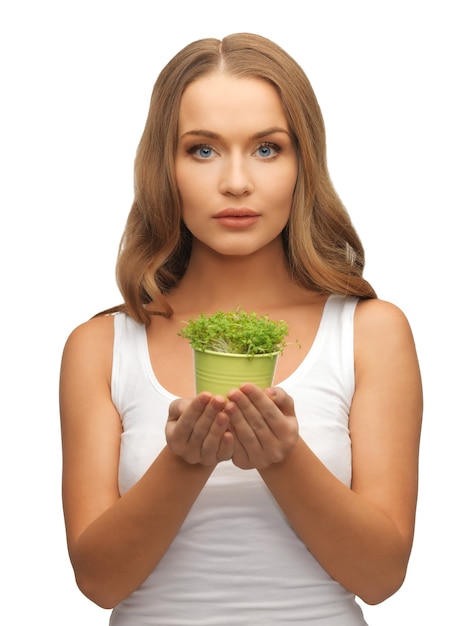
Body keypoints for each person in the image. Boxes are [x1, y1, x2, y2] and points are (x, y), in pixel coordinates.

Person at [59, 33, 423, 625]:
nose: (235, 182)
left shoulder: (369, 333)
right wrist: (184, 463)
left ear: (303, 161)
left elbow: (381, 578)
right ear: (165, 166)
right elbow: (98, 582)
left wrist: (284, 459)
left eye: (267, 149)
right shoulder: (101, 347)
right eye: (202, 150)